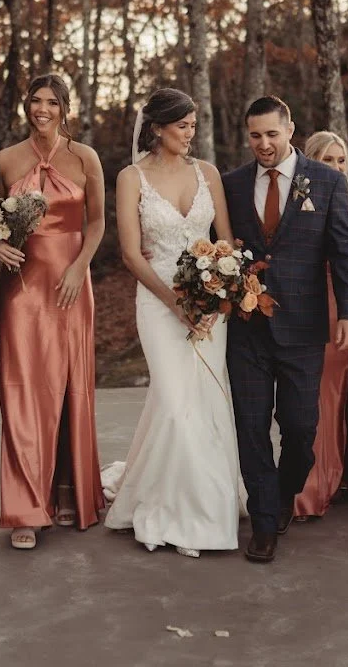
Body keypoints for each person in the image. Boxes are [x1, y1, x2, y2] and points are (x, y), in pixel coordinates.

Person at [222, 96, 348, 563]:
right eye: (255, 135)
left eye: (271, 134)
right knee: (251, 426)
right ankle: (264, 523)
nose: (263, 144)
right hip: (246, 328)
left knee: (301, 428)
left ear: (290, 129)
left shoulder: (326, 181)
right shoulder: (232, 184)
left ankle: (284, 494)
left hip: (303, 328)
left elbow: (345, 253)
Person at [103, 89, 242, 558]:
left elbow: (225, 240)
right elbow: (129, 253)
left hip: (210, 304)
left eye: (193, 125)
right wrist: (175, 303)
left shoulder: (208, 173)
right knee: (174, 401)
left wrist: (219, 291)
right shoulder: (131, 178)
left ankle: (207, 505)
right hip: (158, 301)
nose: (190, 133)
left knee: (206, 399)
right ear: (158, 127)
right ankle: (178, 512)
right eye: (182, 125)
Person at [0, 75, 107, 550]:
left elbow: (97, 222)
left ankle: (68, 494)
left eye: (52, 102)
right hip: (22, 285)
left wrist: (80, 267)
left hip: (71, 282)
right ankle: (25, 508)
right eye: (36, 101)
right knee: (23, 392)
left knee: (70, 388)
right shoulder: (5, 160)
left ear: (65, 109)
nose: (42, 109)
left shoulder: (85, 158)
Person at [292, 131, 348, 521]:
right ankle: (315, 476)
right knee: (310, 396)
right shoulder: (296, 197)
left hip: (335, 303)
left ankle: (319, 483)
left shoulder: (347, 200)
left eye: (341, 160)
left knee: (331, 394)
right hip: (303, 302)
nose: (337, 168)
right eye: (328, 160)